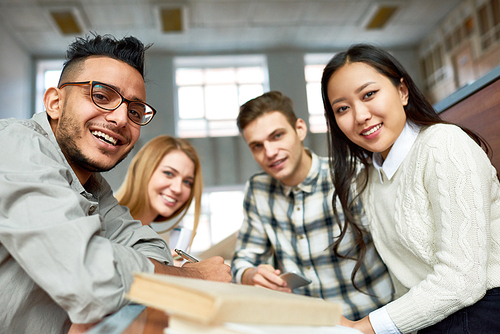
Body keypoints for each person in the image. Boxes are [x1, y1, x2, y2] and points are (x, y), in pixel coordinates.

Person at [0, 34, 230, 334]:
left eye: (135, 111)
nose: (121, 119)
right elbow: (89, 278)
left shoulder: (95, 187)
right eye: (102, 96)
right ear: (55, 103)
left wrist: (128, 269)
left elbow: (152, 248)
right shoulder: (14, 145)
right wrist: (193, 276)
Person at [321, 44, 500, 334]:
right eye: (343, 108)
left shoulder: (443, 144)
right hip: (432, 320)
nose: (360, 115)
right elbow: (406, 284)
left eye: (369, 94)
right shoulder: (368, 178)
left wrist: (363, 328)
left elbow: (463, 281)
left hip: (484, 310)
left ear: (402, 91)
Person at [231, 91, 394, 321]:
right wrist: (250, 275)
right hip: (306, 325)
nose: (269, 152)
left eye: (277, 136)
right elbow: (243, 260)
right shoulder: (258, 190)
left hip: (368, 322)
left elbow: (397, 251)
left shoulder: (350, 175)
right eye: (257, 146)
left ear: (299, 129)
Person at [116, 135, 202, 255]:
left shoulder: (152, 241)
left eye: (187, 182)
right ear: (143, 170)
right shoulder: (101, 219)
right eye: (168, 173)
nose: (178, 189)